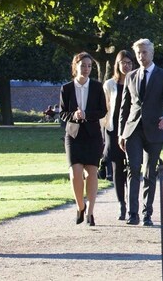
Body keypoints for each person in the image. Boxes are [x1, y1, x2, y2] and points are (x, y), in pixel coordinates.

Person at [119, 38, 163, 227]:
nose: (141, 56)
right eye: (138, 53)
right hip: (133, 129)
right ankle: (133, 213)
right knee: (133, 169)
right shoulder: (130, 76)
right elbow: (124, 107)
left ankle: (147, 214)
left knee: (149, 171)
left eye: (144, 52)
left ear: (152, 53)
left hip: (155, 128)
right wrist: (121, 133)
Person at [59, 52, 107, 227]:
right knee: (75, 173)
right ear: (75, 66)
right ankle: (80, 206)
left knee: (92, 172)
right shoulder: (66, 88)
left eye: (89, 66)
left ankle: (91, 213)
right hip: (73, 135)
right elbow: (63, 113)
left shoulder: (96, 87)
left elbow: (103, 111)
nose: (86, 69)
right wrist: (74, 115)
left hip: (93, 135)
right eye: (83, 65)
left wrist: (87, 114)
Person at [102, 50, 135, 221]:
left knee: (133, 167)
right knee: (116, 168)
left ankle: (133, 205)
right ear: (117, 64)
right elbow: (105, 108)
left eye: (129, 63)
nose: (126, 66)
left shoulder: (136, 82)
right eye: (123, 62)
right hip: (113, 129)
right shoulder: (110, 84)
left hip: (131, 129)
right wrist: (103, 130)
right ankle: (122, 204)